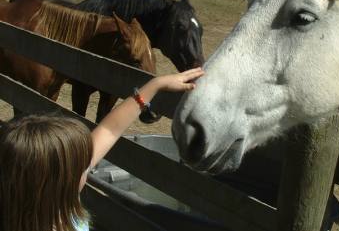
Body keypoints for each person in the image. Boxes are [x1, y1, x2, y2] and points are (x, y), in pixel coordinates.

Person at [0, 67, 204, 231]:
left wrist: (155, 85)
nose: (88, 165)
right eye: (81, 167)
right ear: (56, 184)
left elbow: (109, 129)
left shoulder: (53, 198)